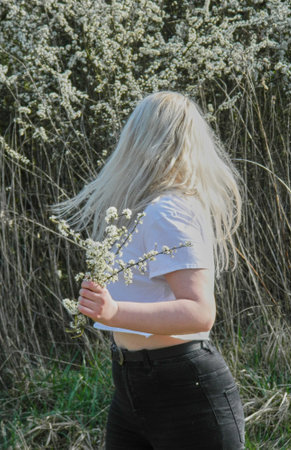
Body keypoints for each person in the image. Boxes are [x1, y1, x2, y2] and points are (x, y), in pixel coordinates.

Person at [56, 91, 245, 449]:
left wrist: (114, 311)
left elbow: (200, 313)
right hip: (133, 385)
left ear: (141, 138)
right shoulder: (147, 208)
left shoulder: (168, 210)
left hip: (183, 392)